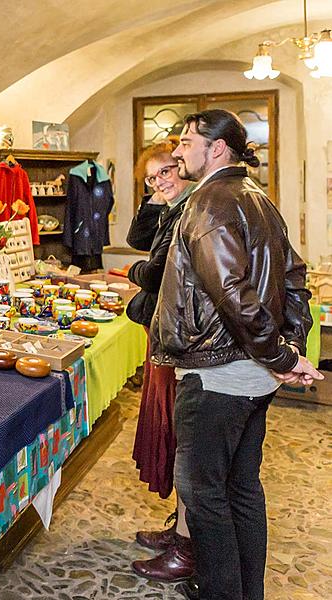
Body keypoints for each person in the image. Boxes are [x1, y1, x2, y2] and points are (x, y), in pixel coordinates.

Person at [151, 109, 321, 600]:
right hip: (252, 378)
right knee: (241, 492)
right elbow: (294, 278)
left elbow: (231, 293)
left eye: (187, 142)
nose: (179, 151)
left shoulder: (210, 202)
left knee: (205, 498)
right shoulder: (258, 198)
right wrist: (287, 347)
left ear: (216, 148)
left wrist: (283, 356)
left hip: (218, 375)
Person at [125, 139, 196, 584]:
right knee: (173, 428)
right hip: (165, 331)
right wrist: (156, 194)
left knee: (179, 432)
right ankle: (181, 529)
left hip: (180, 337)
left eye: (167, 171)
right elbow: (136, 239)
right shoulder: (172, 206)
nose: (161, 181)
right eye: (152, 177)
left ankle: (187, 542)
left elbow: (153, 271)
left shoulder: (193, 209)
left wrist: (134, 272)